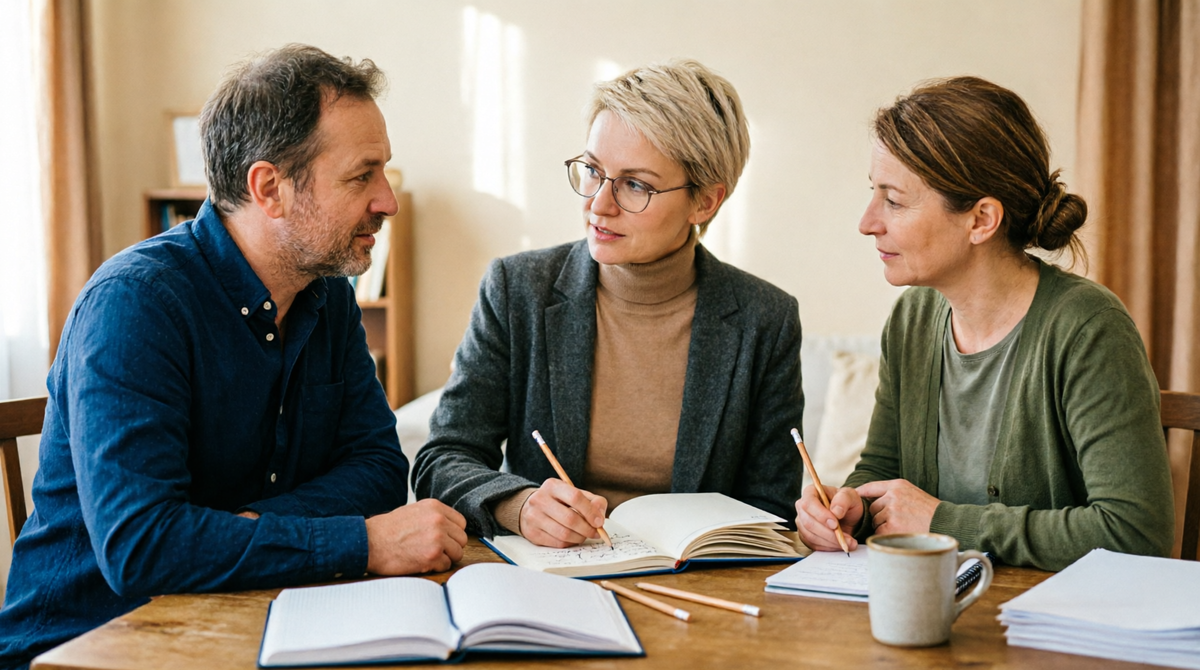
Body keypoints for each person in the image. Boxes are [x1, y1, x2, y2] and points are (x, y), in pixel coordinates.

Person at [0, 44, 467, 669]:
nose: (388, 200)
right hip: (91, 643)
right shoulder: (134, 305)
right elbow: (143, 547)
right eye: (363, 175)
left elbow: (379, 467)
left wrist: (235, 532)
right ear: (269, 187)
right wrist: (359, 543)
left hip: (251, 616)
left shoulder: (327, 295)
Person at [414, 59, 803, 547]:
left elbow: (771, 507)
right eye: (594, 171)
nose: (599, 203)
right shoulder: (518, 290)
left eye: (636, 184)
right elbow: (442, 459)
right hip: (553, 579)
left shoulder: (764, 319)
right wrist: (519, 506)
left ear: (705, 202)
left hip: (697, 588)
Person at [795, 76, 1174, 571]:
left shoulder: (1088, 329)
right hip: (943, 609)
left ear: (981, 220)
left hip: (1046, 626)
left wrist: (948, 520)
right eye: (874, 193)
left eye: (893, 199)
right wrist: (848, 509)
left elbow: (1135, 532)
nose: (867, 222)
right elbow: (885, 472)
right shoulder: (911, 320)